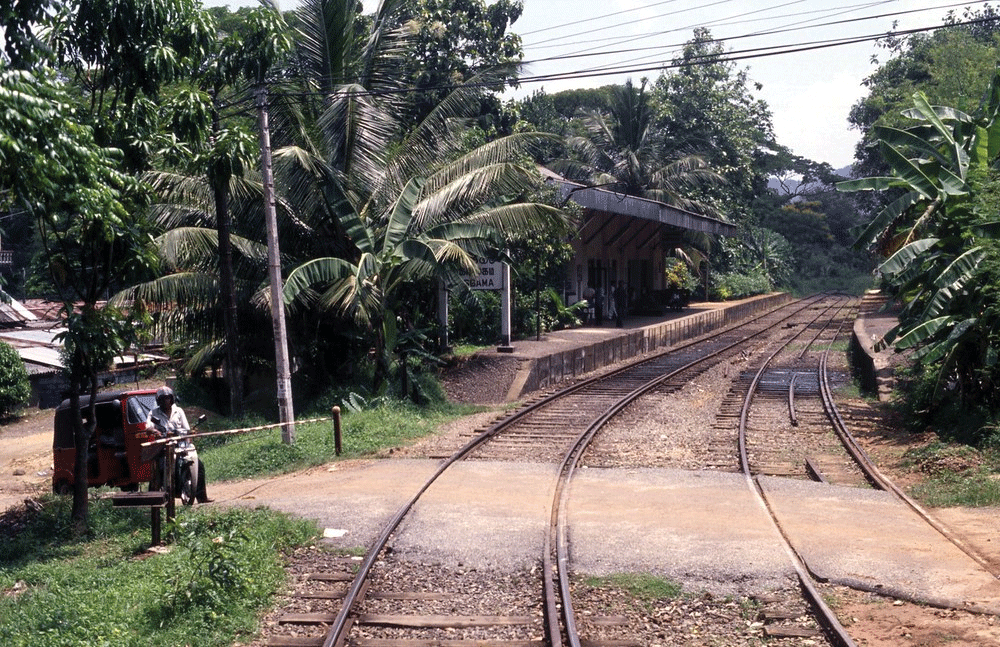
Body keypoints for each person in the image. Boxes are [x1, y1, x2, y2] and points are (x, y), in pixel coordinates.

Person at [148, 386, 212, 503]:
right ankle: (161, 496)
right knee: (161, 467)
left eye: (168, 398)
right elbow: (148, 427)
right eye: (163, 399)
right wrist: (156, 431)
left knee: (200, 465)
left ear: (172, 399)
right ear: (159, 401)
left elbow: (186, 428)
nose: (166, 401)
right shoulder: (154, 412)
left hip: (180, 444)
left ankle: (202, 497)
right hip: (163, 446)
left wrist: (191, 432)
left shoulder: (179, 411)